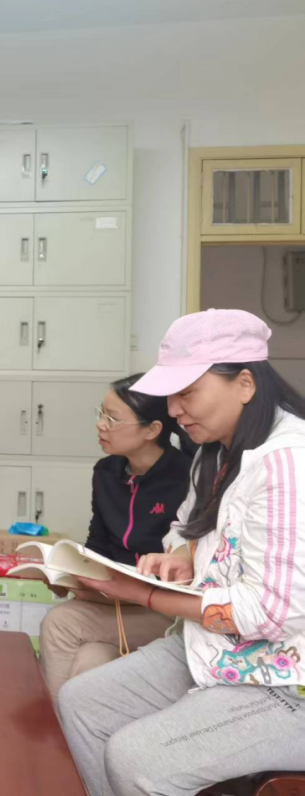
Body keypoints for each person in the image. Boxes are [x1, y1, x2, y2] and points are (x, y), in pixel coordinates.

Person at [59, 309, 305, 796]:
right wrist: (183, 556)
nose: (174, 410)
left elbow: (273, 612)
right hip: (213, 649)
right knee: (81, 701)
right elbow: (184, 529)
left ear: (245, 384)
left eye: (187, 392)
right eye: (171, 395)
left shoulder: (286, 462)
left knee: (136, 757)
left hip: (284, 680)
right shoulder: (214, 454)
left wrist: (144, 595)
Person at [39, 373, 192, 704]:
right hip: (113, 603)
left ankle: (51, 729)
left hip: (163, 610)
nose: (101, 425)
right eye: (101, 414)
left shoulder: (187, 477)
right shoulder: (106, 472)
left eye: (112, 418)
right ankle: (67, 730)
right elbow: (97, 544)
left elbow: (187, 562)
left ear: (152, 430)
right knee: (90, 660)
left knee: (60, 622)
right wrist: (67, 575)